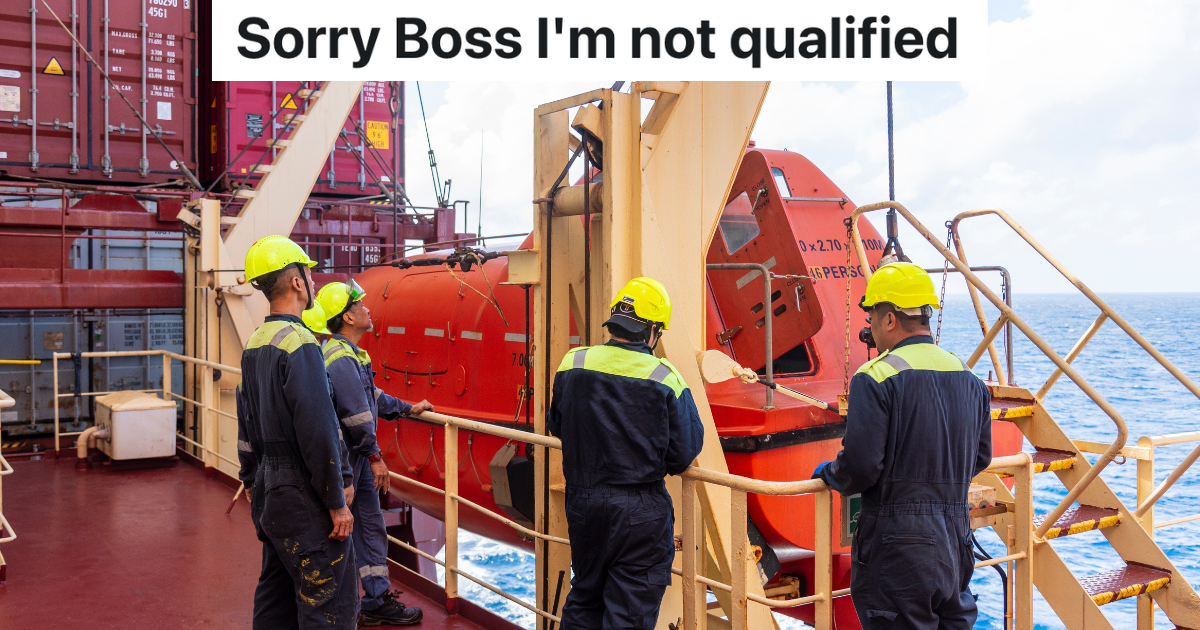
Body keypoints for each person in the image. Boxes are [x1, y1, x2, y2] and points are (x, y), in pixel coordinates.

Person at [813, 262, 992, 630]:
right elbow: (980, 456)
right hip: (955, 539)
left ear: (890, 318)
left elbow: (861, 466)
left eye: (872, 318)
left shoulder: (876, 375)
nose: (871, 329)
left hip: (899, 545)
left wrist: (831, 474)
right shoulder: (967, 375)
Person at [548, 277, 705, 630]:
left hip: (584, 504)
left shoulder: (573, 362)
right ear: (652, 331)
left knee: (584, 597)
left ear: (615, 321)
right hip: (639, 511)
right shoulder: (665, 377)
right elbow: (684, 453)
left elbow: (557, 424)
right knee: (629, 613)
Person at [234, 235, 359, 629]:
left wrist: (251, 478)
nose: (313, 280)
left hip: (270, 491)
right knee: (328, 603)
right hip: (303, 494)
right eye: (309, 273)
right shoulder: (301, 343)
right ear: (296, 282)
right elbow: (318, 430)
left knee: (276, 599)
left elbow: (245, 420)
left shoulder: (254, 343)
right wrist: (336, 500)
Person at [316, 280, 432, 627]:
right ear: (348, 317)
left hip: (354, 458)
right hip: (351, 460)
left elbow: (372, 397)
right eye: (360, 305)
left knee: (368, 527)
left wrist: (408, 408)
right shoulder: (341, 359)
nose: (367, 309)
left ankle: (375, 599)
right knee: (351, 530)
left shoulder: (348, 354)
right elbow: (357, 415)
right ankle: (350, 603)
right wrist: (374, 456)